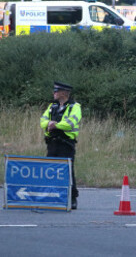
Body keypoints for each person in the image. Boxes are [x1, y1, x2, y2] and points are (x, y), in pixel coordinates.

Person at [40, 81, 82, 209]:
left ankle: (72, 198)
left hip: (66, 143)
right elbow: (43, 120)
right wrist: (48, 124)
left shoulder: (75, 107)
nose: (54, 93)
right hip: (52, 142)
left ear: (64, 93)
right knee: (50, 170)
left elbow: (70, 123)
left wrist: (54, 125)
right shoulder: (52, 106)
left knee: (67, 171)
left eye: (56, 91)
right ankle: (51, 196)